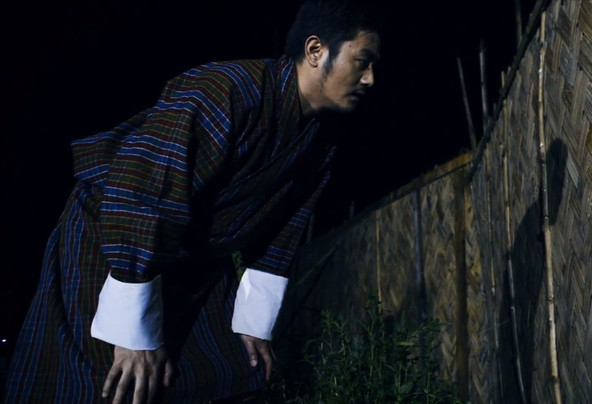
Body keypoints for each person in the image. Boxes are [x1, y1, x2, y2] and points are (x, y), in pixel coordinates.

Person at [4, 0, 381, 402]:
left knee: (229, 368)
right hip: (116, 233)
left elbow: (281, 236)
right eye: (362, 61)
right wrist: (133, 335)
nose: (370, 79)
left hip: (190, 255)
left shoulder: (322, 143)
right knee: (114, 381)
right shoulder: (226, 90)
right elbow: (143, 192)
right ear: (315, 50)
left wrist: (253, 324)